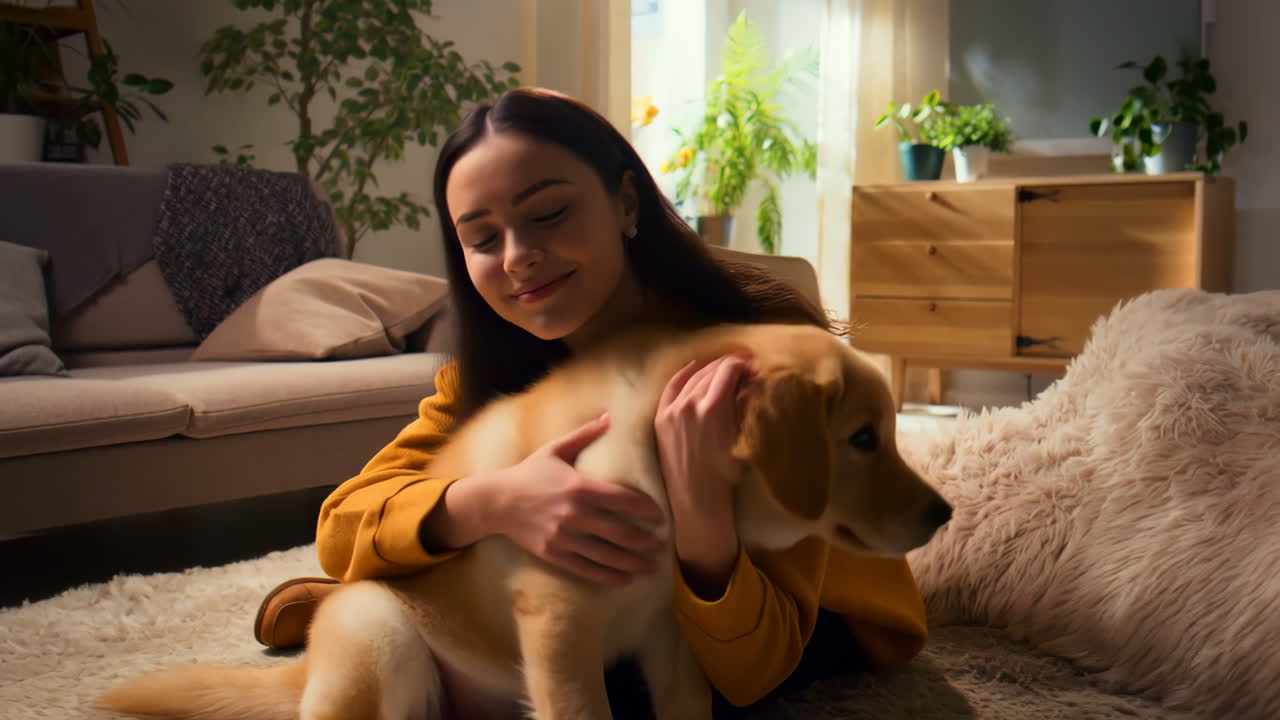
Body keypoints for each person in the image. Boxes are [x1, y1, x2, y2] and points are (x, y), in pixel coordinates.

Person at [253, 86, 928, 717]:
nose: (517, 256)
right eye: (483, 239)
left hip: (789, 624)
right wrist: (497, 500)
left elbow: (753, 670)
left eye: (549, 214)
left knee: (604, 671)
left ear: (627, 204)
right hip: (604, 604)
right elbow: (342, 525)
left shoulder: (763, 355)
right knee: (491, 614)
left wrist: (700, 507)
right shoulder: (491, 372)